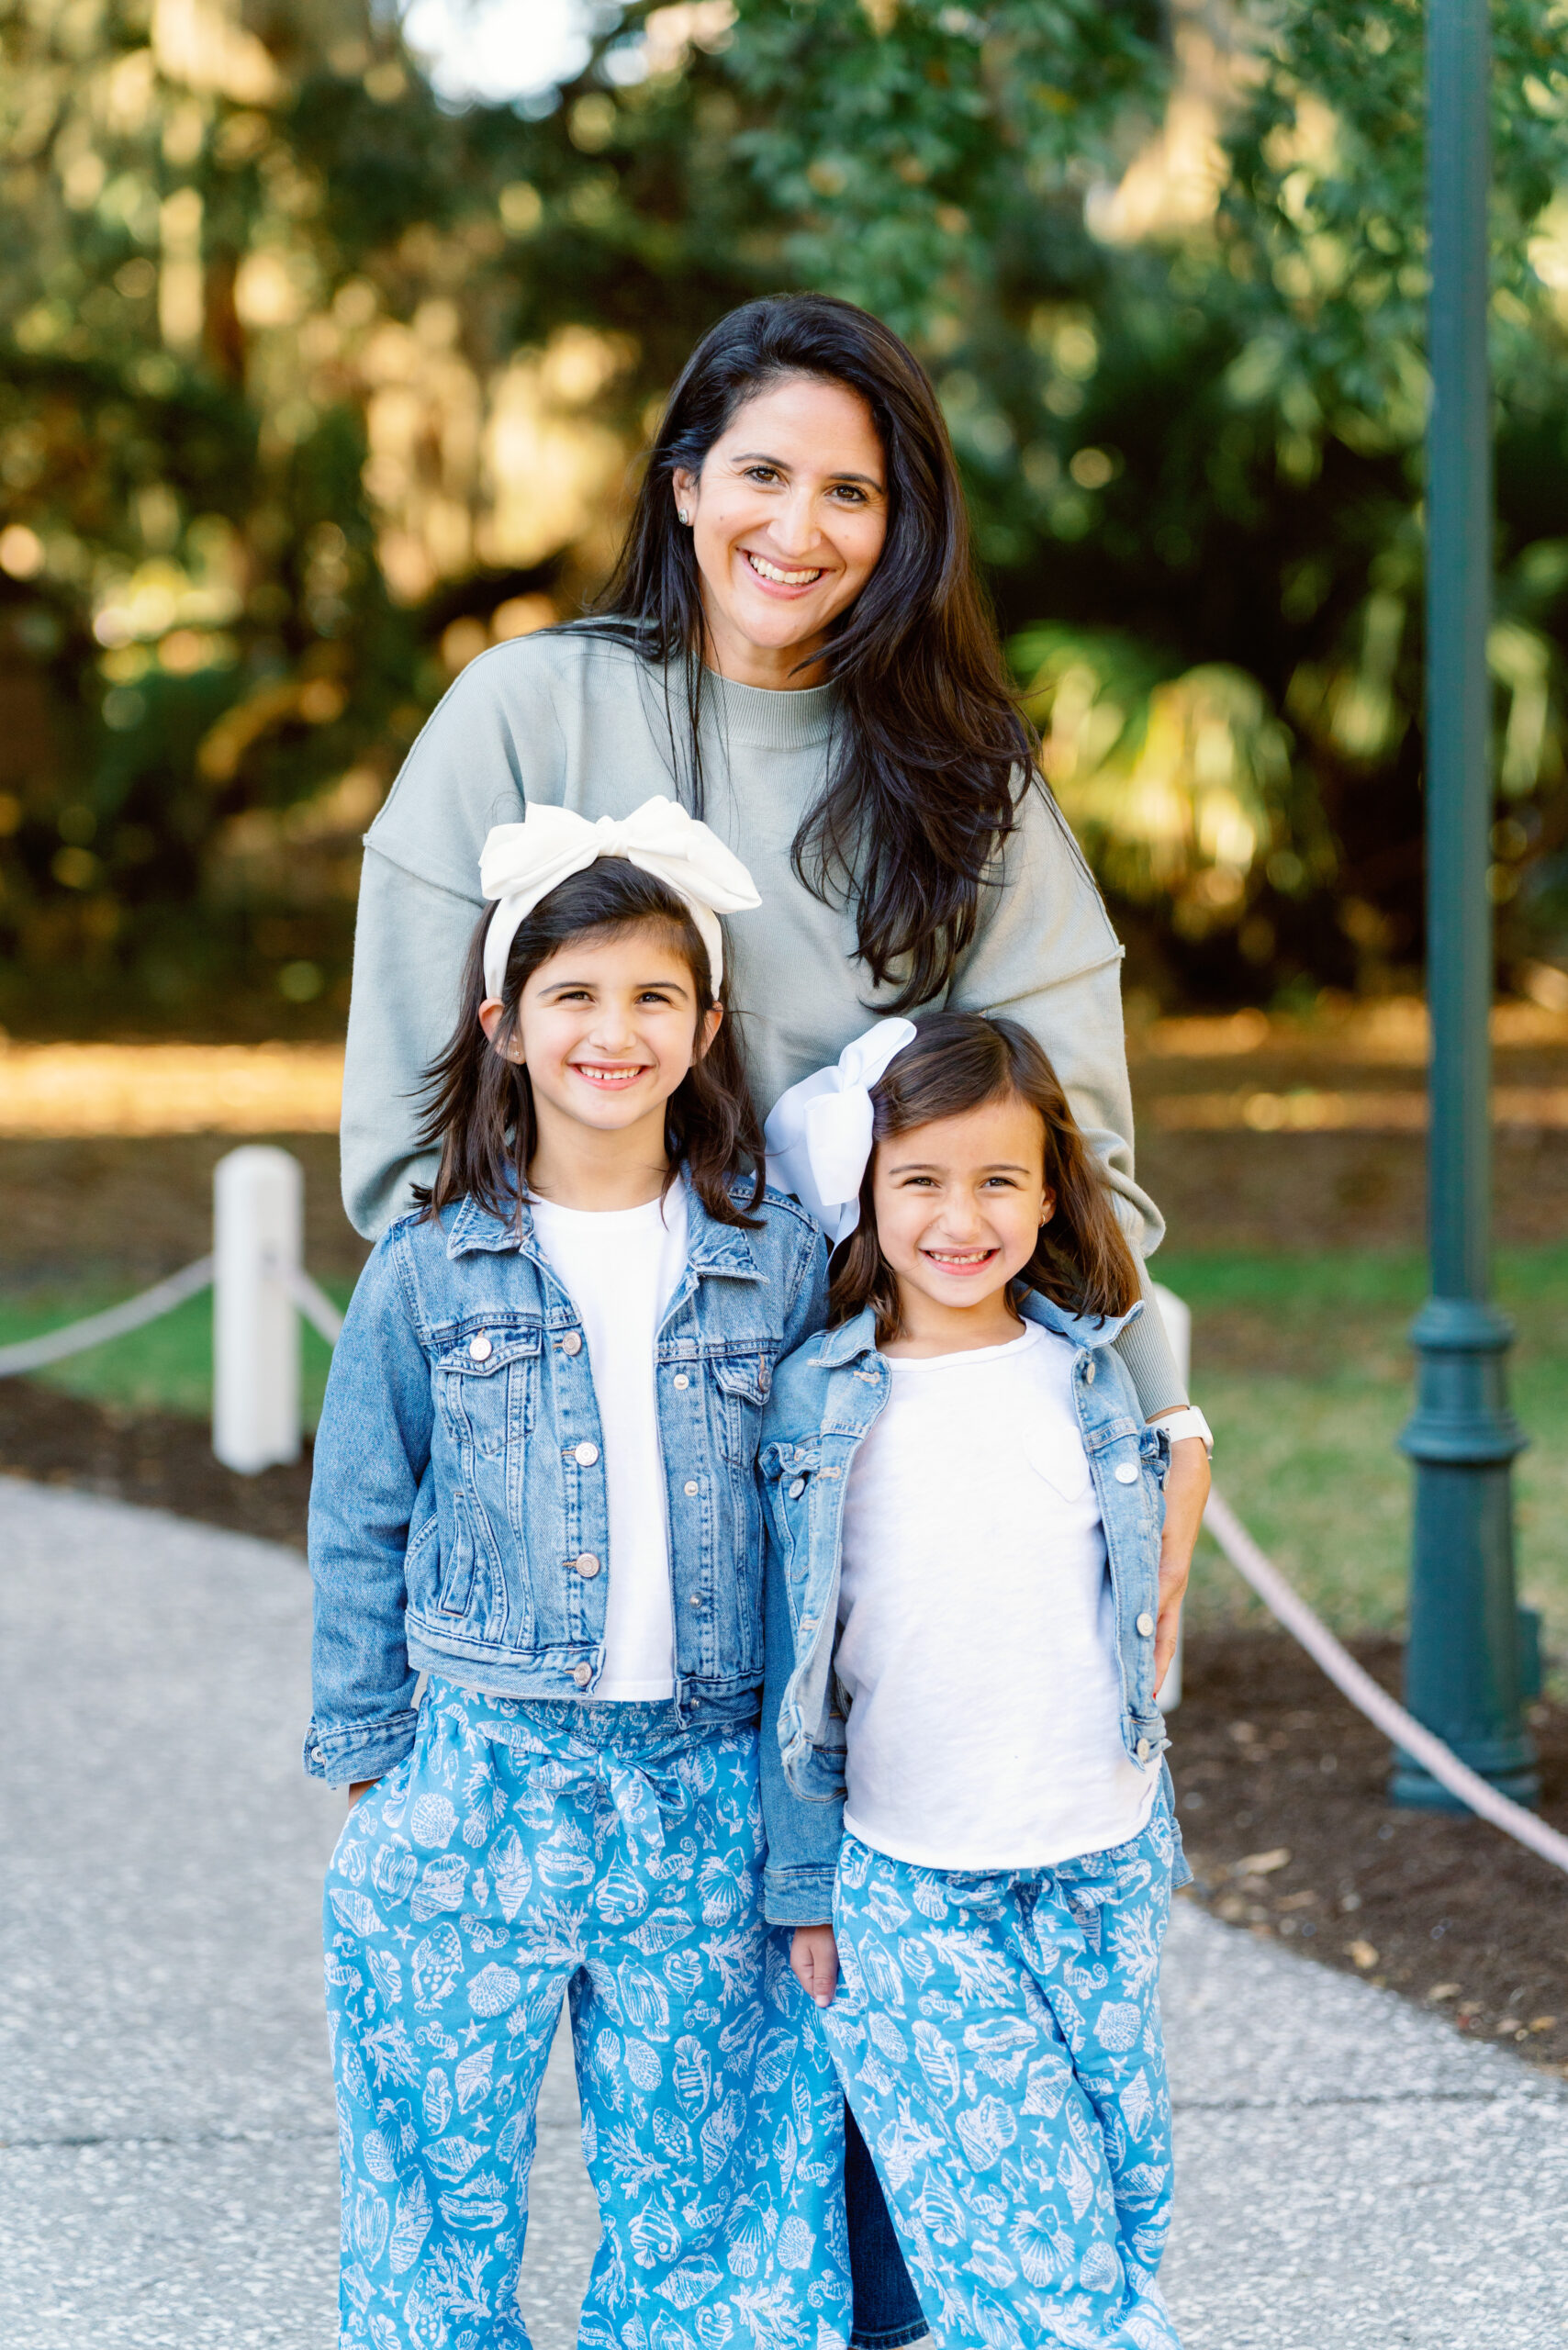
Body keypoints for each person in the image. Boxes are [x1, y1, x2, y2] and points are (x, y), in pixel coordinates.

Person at [339, 287, 1210, 2345]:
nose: (799, 528)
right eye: (761, 475)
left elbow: (1080, 1168)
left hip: (884, 1483)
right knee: (533, 2114)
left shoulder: (965, 783)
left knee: (862, 2029)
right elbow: (400, 1148)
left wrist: (1150, 1456)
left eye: (853, 486)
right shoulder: (523, 713)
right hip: (590, 1481)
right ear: (682, 482)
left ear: (902, 518)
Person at [306, 800, 854, 2350]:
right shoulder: (431, 1264)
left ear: (708, 1022)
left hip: (708, 1786)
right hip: (482, 1774)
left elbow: (834, 1519)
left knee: (712, 2194)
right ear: (504, 1022)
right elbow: (359, 1510)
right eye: (575, 996)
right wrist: (371, 1771)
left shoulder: (779, 1258)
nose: (614, 1032)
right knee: (434, 2190)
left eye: (652, 997)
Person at [757, 1012, 1205, 2350]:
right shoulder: (822, 1403)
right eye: (923, 1182)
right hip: (912, 1879)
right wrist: (805, 1881)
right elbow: (792, 1666)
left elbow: (1161, 1502)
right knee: (1020, 2243)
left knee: (1120, 2200)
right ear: (866, 1194)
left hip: (1103, 1851)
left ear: (1052, 1188)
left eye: (998, 1180)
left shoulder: (1094, 1370)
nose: (962, 1219)